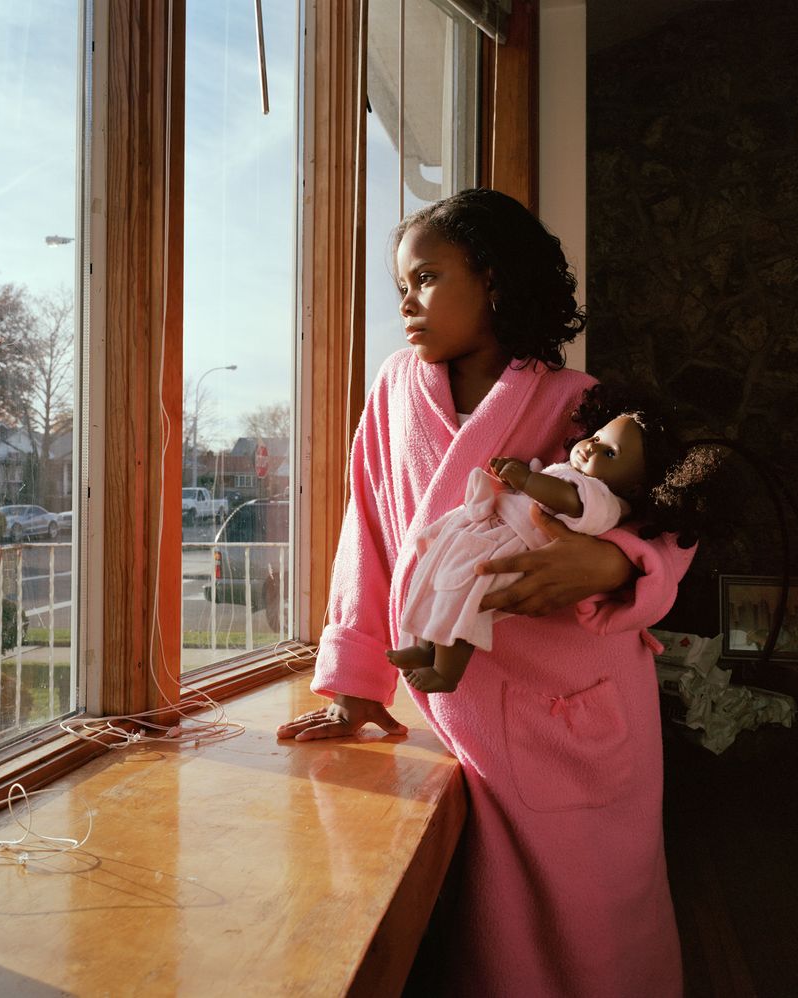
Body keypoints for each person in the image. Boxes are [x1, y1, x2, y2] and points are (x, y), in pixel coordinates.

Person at [276, 188, 694, 997]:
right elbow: (365, 531)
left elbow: (672, 530)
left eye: (427, 278)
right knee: (487, 951)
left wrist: (615, 565)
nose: (407, 302)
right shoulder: (395, 389)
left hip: (575, 709)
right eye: (401, 285)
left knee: (600, 938)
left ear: (494, 281)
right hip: (454, 709)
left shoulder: (582, 403)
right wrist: (357, 685)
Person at [386, 386, 721, 695]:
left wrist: (528, 479)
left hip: (512, 547)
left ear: (633, 488)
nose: (593, 445)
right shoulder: (575, 472)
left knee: (464, 596)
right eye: (597, 436)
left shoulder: (605, 500)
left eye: (610, 453)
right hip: (494, 534)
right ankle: (427, 645)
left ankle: (447, 672)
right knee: (445, 587)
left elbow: (568, 500)